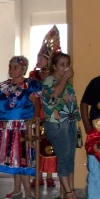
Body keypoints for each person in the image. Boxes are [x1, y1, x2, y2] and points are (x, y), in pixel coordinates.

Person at [0, 56, 41, 199]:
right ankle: (17, 189)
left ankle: (28, 193)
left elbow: (36, 103)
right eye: (10, 66)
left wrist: (36, 117)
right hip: (6, 128)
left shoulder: (31, 85)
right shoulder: (2, 87)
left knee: (22, 158)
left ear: (24, 69)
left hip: (22, 128)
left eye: (15, 67)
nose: (11, 70)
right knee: (13, 159)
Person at [41, 53, 83, 199]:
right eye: (62, 64)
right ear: (54, 66)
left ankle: (70, 191)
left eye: (67, 64)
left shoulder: (66, 82)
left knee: (70, 158)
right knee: (63, 158)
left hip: (69, 121)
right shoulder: (49, 80)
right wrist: (65, 78)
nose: (65, 67)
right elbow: (53, 96)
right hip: (56, 123)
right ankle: (69, 193)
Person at [30, 32, 59, 189]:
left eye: (42, 58)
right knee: (36, 144)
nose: (38, 60)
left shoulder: (55, 76)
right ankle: (38, 174)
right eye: (38, 57)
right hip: (37, 113)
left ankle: (49, 175)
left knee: (50, 144)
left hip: (50, 114)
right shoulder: (33, 75)